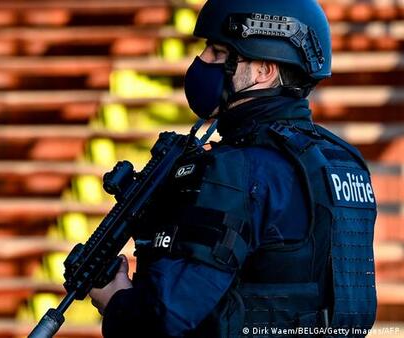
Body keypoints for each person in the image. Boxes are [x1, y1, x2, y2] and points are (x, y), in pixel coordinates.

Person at [89, 0, 378, 337]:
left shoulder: (237, 169)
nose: (202, 62)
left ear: (263, 71)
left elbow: (166, 317)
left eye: (217, 52)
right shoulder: (344, 160)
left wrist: (115, 300)